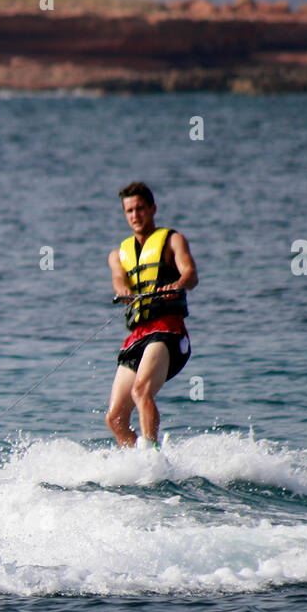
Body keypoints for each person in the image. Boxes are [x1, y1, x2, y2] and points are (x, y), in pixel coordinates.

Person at [104, 181, 198, 449]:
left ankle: (152, 458)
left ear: (153, 208)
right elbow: (118, 280)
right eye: (129, 211)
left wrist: (177, 285)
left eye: (140, 209)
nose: (135, 215)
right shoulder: (117, 255)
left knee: (141, 391)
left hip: (169, 332)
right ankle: (138, 461)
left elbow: (191, 275)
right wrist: (122, 290)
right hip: (138, 337)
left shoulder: (173, 240)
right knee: (115, 418)